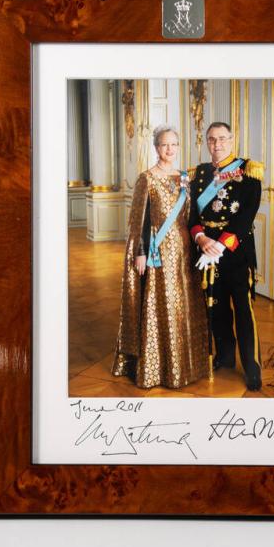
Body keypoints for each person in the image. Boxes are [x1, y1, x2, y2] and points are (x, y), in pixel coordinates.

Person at [112, 125, 209, 389]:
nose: (170, 149)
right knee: (162, 305)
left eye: (174, 144)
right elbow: (138, 221)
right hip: (157, 251)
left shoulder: (185, 178)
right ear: (156, 148)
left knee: (184, 306)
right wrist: (141, 252)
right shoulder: (147, 178)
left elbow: (191, 216)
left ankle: (186, 365)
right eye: (165, 144)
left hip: (185, 250)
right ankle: (159, 368)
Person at [188, 121, 264, 391]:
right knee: (216, 308)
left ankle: (252, 368)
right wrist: (201, 238)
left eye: (222, 138)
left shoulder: (248, 169)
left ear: (232, 140)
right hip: (206, 250)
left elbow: (246, 215)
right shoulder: (199, 173)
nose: (216, 144)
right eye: (211, 139)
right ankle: (225, 357)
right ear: (206, 142)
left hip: (235, 252)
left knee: (243, 309)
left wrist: (220, 245)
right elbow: (192, 216)